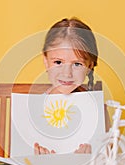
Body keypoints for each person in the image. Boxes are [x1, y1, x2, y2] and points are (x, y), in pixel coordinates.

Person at [34, 17, 99, 155]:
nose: (67, 73)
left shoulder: (97, 109)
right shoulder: (33, 109)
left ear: (89, 66)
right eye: (58, 62)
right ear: (46, 61)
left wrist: (90, 159)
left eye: (77, 64)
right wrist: (36, 160)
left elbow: (108, 160)